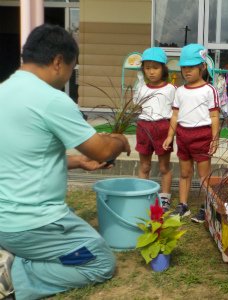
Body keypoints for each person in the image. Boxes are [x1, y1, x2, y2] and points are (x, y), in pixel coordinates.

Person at [0, 24, 131, 300]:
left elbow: (22, 156)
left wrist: (78, 163)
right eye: (72, 68)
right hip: (31, 224)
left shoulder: (4, 91)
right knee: (98, 260)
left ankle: (10, 252)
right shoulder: (50, 99)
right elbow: (101, 150)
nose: (69, 76)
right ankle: (14, 275)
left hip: (4, 222)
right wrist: (119, 140)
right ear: (58, 61)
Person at [162, 44, 220, 223]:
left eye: (191, 67)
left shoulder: (209, 90)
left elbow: (214, 116)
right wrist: (170, 136)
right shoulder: (179, 91)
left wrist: (215, 139)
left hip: (202, 137)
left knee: (204, 176)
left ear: (202, 67)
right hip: (183, 136)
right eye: (184, 67)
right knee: (185, 172)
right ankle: (183, 205)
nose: (187, 71)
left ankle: (206, 207)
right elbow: (175, 115)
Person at [134, 47, 175, 212]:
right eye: (147, 67)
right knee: (144, 166)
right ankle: (143, 196)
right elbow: (137, 107)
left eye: (155, 67)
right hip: (144, 127)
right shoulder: (141, 88)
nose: (151, 72)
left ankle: (164, 198)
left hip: (163, 127)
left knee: (164, 166)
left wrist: (171, 135)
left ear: (163, 68)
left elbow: (175, 114)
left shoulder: (171, 89)